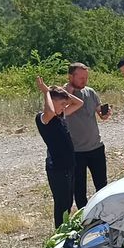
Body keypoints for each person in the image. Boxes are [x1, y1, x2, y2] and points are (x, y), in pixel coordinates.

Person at [35, 77, 84, 228]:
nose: (65, 107)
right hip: (57, 168)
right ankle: (59, 233)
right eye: (62, 104)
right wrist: (46, 93)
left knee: (69, 201)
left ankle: (65, 228)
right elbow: (49, 110)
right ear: (52, 101)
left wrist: (62, 93)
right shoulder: (43, 118)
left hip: (69, 165)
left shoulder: (60, 115)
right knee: (61, 203)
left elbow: (78, 103)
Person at [65, 62, 111, 208]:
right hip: (76, 150)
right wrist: (68, 92)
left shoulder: (90, 92)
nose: (84, 81)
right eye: (81, 78)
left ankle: (104, 212)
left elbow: (99, 112)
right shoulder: (61, 95)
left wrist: (105, 114)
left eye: (86, 77)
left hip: (96, 147)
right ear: (70, 77)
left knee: (102, 185)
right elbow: (60, 113)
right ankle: (84, 216)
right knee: (79, 188)